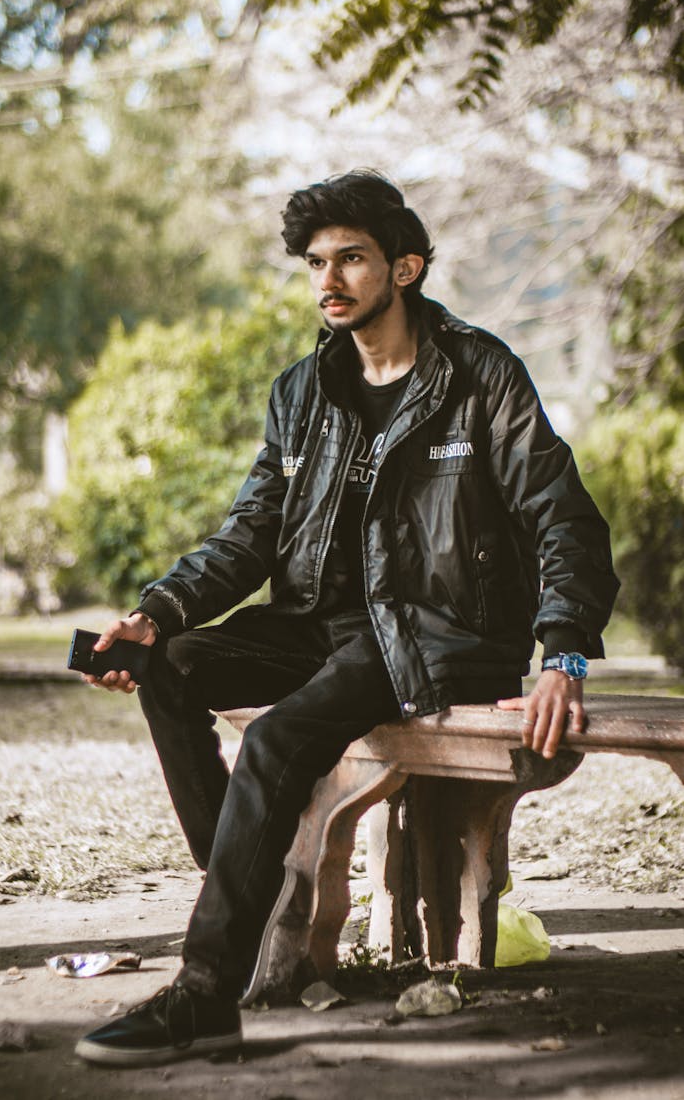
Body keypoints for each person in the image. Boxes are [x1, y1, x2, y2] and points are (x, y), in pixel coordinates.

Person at [74, 170, 619, 1067]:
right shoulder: (303, 391)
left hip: (439, 633)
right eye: (317, 263)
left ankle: (206, 994)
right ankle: (251, 893)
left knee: (279, 741)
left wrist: (564, 652)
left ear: (404, 268)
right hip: (324, 625)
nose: (329, 279)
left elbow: (564, 515)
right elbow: (250, 536)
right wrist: (153, 615)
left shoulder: (477, 375)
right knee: (170, 667)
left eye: (352, 259)